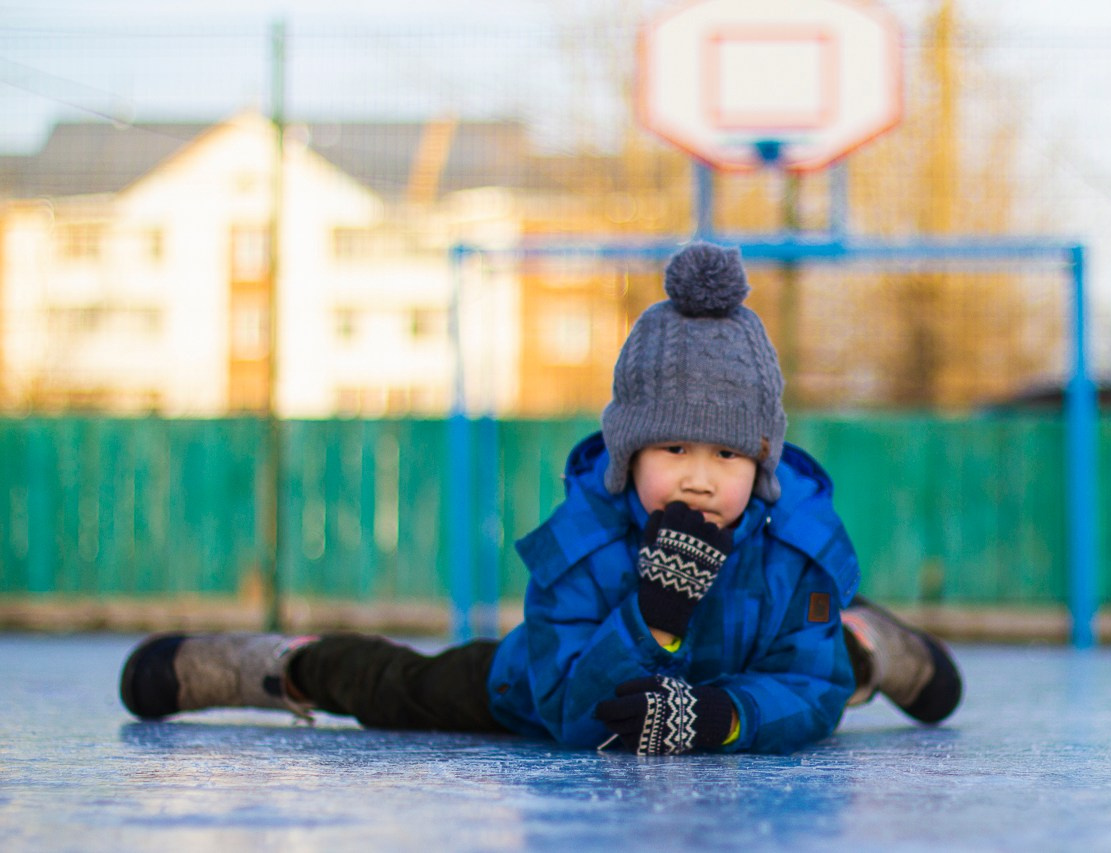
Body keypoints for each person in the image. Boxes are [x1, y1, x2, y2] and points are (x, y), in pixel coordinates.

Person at [120, 242, 961, 755]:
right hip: (535, 690)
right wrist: (655, 619)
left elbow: (806, 692)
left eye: (728, 453)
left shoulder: (795, 544)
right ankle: (276, 665)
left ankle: (866, 637)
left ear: (764, 461)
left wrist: (725, 715)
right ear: (630, 455)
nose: (700, 474)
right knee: (401, 689)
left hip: (737, 678)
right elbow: (572, 709)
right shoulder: (587, 539)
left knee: (825, 658)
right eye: (672, 447)